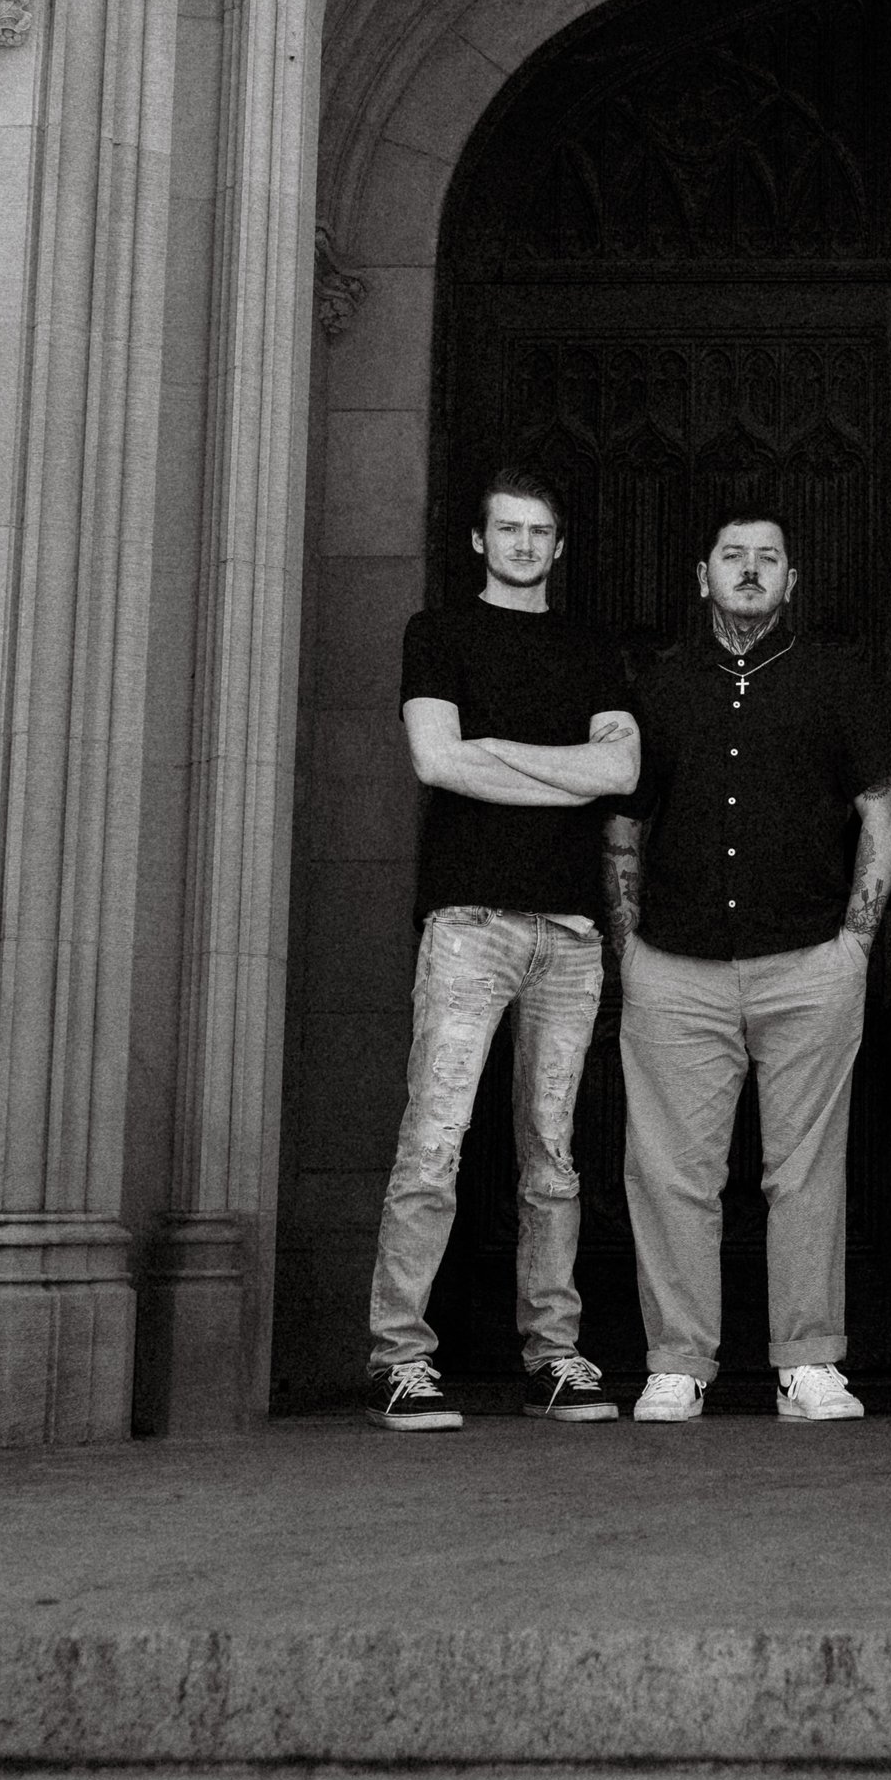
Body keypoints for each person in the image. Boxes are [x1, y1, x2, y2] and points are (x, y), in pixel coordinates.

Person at [603, 513, 891, 1423]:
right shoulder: (659, 687)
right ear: (702, 576)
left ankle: (808, 1362)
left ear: (790, 580)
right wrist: (628, 944)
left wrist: (856, 942)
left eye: (766, 558)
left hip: (809, 961)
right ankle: (677, 1362)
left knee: (805, 1174)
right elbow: (624, 821)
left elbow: (882, 807)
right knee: (670, 1174)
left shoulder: (836, 679)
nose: (748, 570)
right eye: (732, 557)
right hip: (674, 965)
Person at [367, 470, 640, 1432]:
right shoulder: (438, 633)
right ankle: (399, 1357)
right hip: (469, 923)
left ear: (559, 547)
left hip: (570, 931)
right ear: (480, 542)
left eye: (540, 531)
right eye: (509, 530)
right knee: (433, 1143)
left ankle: (553, 1356)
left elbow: (622, 769)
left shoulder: (590, 648)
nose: (525, 544)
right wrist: (566, 774)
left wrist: (498, 750)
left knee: (554, 1157)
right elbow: (435, 759)